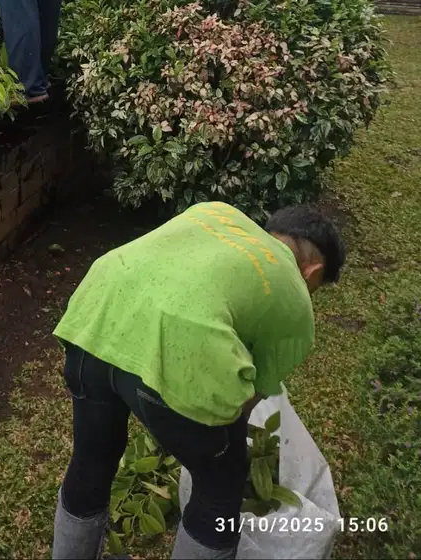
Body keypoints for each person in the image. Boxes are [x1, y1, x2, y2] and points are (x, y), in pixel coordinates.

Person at [50, 201, 346, 560]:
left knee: (92, 457)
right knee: (220, 486)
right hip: (158, 344)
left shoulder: (217, 213)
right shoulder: (296, 298)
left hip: (94, 317)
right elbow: (242, 405)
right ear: (313, 270)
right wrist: (184, 424)